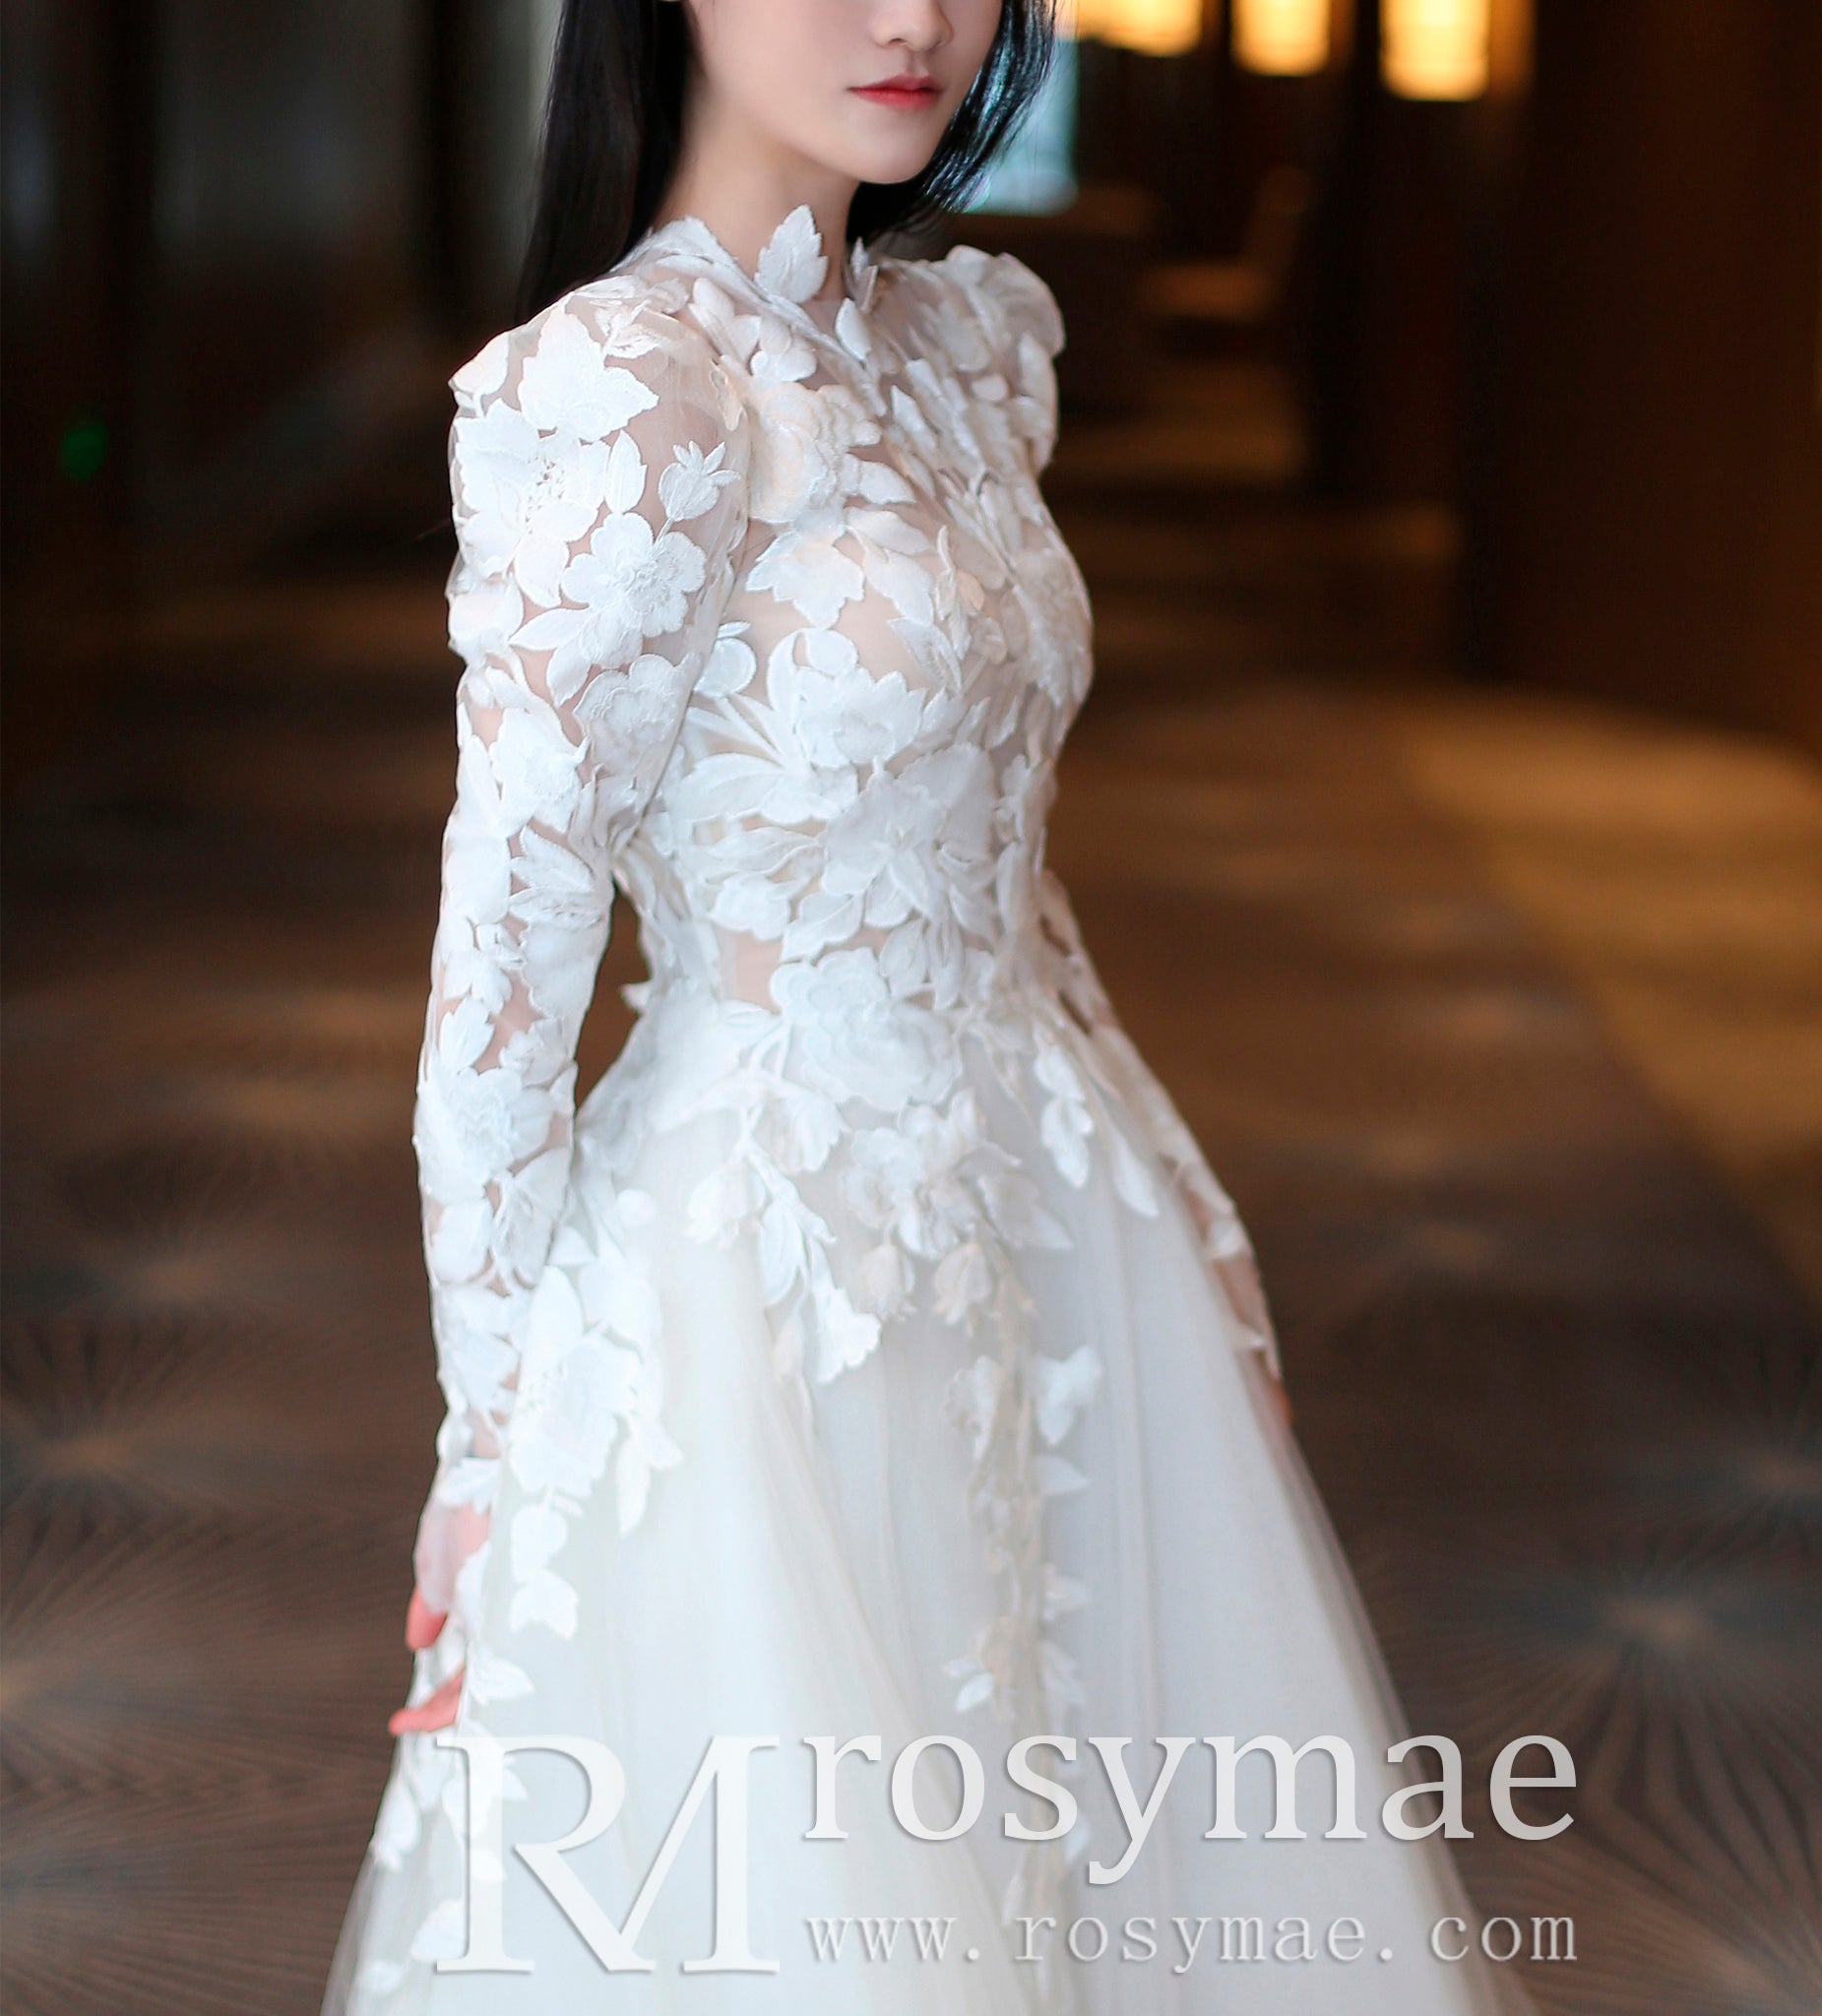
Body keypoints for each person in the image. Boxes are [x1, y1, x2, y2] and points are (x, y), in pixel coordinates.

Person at [322, 0, 1538, 2008]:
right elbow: (500, 985)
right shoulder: (634, 388)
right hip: (773, 1257)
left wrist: (1185, 1204)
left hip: (1052, 1217)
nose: (913, 19)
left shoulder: (967, 342)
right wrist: (490, 1450)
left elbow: (1002, 857)